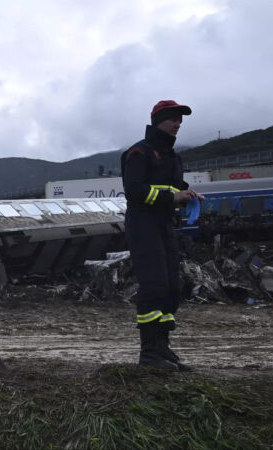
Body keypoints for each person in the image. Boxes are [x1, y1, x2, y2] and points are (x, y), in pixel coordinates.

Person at [121, 100, 202, 371]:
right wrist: (173, 196)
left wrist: (188, 196)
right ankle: (149, 353)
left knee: (171, 289)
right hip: (143, 225)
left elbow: (176, 189)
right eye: (173, 119)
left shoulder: (173, 157)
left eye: (180, 120)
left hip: (165, 225)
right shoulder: (138, 153)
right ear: (159, 120)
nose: (178, 124)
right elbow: (134, 191)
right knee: (153, 286)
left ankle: (163, 349)